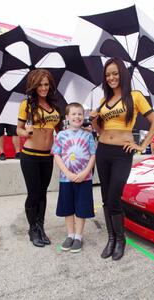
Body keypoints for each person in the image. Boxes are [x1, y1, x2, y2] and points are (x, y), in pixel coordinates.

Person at [90, 57, 154, 261]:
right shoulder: (104, 101)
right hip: (102, 150)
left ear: (122, 73)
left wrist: (142, 145)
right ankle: (111, 238)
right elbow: (100, 129)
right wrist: (95, 122)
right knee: (105, 197)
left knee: (114, 196)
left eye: (115, 73)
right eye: (108, 74)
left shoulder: (135, 96)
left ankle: (120, 239)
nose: (111, 77)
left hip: (123, 153)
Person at [17, 69, 62, 247]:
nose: (43, 88)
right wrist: (25, 131)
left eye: (46, 84)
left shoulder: (55, 107)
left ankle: (40, 227)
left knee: (42, 193)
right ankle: (32, 229)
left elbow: (61, 132)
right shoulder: (26, 105)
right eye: (40, 85)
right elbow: (18, 129)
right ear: (34, 86)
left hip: (47, 157)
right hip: (30, 156)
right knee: (33, 194)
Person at [52, 102, 96, 253]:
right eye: (74, 114)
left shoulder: (88, 135)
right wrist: (68, 173)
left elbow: (92, 155)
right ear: (67, 117)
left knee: (81, 208)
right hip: (66, 178)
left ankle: (78, 236)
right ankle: (70, 234)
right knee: (68, 208)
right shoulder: (61, 135)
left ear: (83, 116)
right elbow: (56, 155)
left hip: (84, 178)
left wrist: (85, 173)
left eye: (80, 114)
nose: (77, 117)